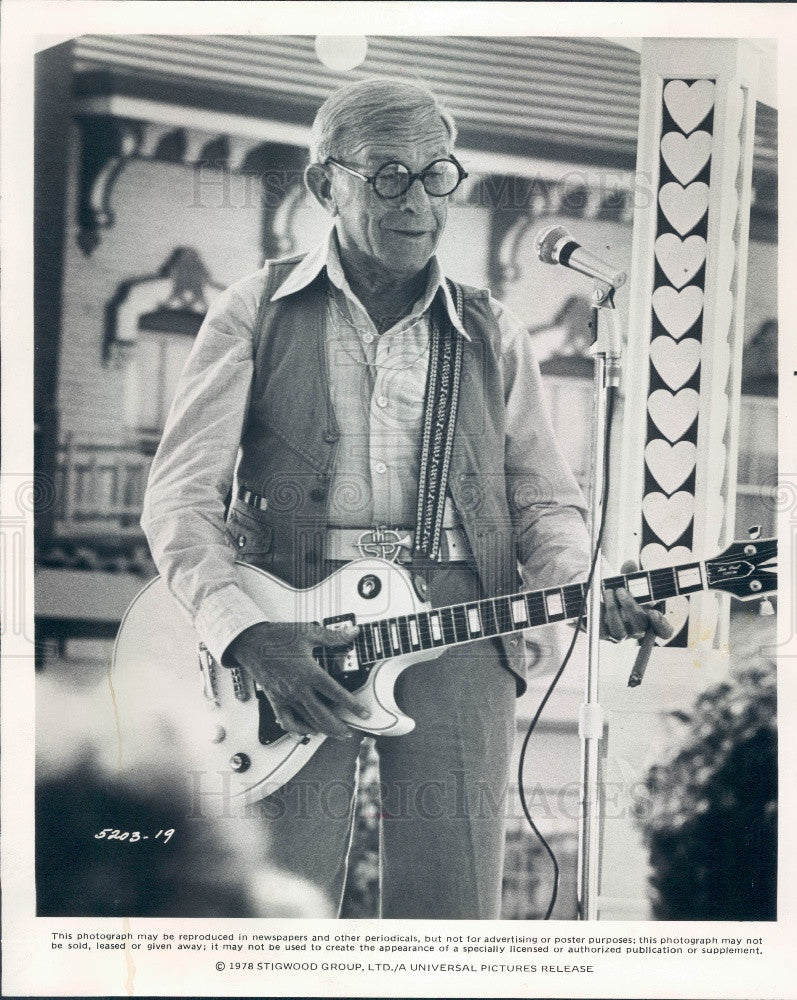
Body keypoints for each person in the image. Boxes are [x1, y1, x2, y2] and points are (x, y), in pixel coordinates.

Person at [141, 77, 671, 919]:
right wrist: (245, 636)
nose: (416, 199)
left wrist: (587, 581)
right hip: (291, 634)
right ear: (325, 185)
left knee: (452, 910)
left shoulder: (492, 328)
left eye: (436, 174)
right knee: (277, 909)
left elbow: (543, 503)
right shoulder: (253, 308)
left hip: (463, 620)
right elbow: (179, 501)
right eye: (387, 175)